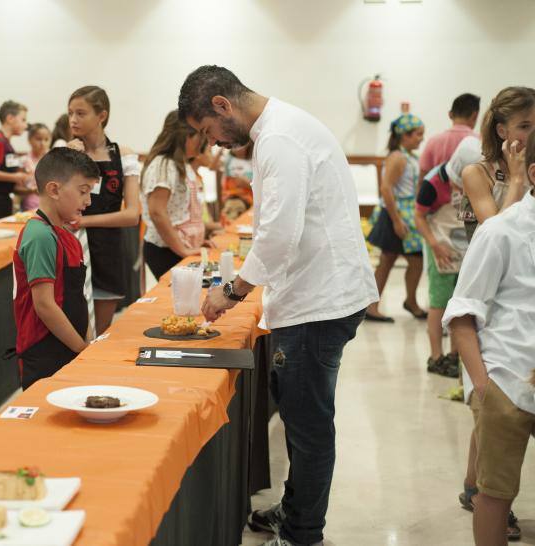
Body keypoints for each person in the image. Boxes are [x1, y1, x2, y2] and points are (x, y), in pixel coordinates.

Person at [179, 65, 377, 546]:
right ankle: (295, 509)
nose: (215, 143)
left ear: (223, 106)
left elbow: (279, 235)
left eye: (210, 131)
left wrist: (231, 292)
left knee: (308, 426)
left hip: (320, 301)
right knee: (295, 410)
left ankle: (302, 534)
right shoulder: (281, 128)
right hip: (317, 293)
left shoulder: (280, 139)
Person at [443, 130, 535, 546]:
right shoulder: (501, 232)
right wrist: (484, 387)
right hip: (508, 382)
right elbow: (462, 314)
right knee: (494, 494)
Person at [14, 147, 99, 389]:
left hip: (70, 347)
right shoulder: (39, 235)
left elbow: (78, 297)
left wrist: (88, 341)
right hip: (45, 353)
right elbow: (44, 305)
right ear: (54, 189)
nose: (88, 201)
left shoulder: (68, 236)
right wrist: (82, 348)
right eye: (83, 191)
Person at [67, 85, 141, 335]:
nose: (73, 120)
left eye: (80, 113)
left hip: (107, 249)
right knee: (75, 331)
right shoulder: (67, 153)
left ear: (101, 116)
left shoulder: (124, 155)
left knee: (99, 333)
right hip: (72, 248)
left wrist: (85, 222)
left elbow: (132, 215)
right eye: (70, 114)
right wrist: (67, 159)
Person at [413, 137, 480, 378]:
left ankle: (454, 355)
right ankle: (436, 356)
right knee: (439, 304)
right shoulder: (432, 183)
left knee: (458, 304)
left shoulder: (477, 181)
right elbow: (419, 217)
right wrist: (434, 245)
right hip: (440, 249)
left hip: (465, 250)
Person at [365, 114, 427, 322]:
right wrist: (397, 221)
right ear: (405, 135)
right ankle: (373, 306)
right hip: (396, 215)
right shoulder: (397, 157)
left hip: (406, 214)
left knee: (400, 260)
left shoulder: (409, 157)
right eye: (418, 134)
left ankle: (410, 301)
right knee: (390, 260)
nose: (421, 139)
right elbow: (386, 189)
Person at [460, 86, 535, 242]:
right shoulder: (476, 173)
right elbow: (496, 236)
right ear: (502, 131)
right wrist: (516, 179)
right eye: (525, 126)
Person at [141, 110, 205, 279]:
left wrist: (193, 242)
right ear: (186, 136)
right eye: (200, 136)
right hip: (166, 249)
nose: (202, 143)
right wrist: (182, 249)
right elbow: (157, 212)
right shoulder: (164, 164)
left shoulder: (182, 164)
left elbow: (183, 214)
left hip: (175, 247)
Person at [418, 93, 480, 182]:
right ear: (475, 115)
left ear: (450, 114)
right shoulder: (479, 142)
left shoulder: (434, 141)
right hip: (470, 194)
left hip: (438, 194)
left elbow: (423, 177)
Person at [21, 123, 51, 211]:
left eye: (46, 139)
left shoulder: (54, 158)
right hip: (31, 204)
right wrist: (31, 190)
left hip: (52, 203)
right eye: (38, 139)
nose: (43, 143)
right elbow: (17, 188)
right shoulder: (24, 161)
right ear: (29, 140)